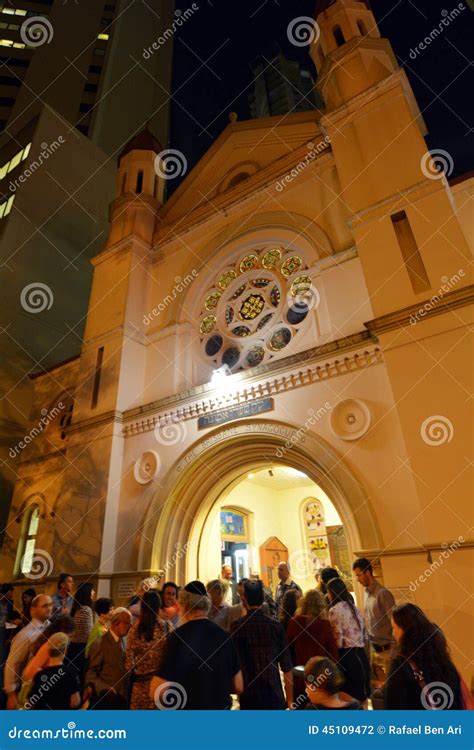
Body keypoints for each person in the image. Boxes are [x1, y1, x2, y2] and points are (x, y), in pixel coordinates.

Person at [150, 581, 243, 710]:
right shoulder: (224, 637)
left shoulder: (177, 638)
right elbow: (238, 686)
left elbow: (158, 690)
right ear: (207, 605)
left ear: (185, 604)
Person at [385, 603, 463, 710]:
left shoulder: (400, 665)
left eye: (394, 628)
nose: (393, 633)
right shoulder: (440, 656)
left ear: (405, 630)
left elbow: (392, 709)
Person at [231, 579, 293, 710]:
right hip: (274, 693)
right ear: (263, 598)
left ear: (244, 599)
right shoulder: (276, 626)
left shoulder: (236, 627)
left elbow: (232, 664)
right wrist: (290, 700)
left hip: (248, 696)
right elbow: (287, 666)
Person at [3, 594, 53, 709]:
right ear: (33, 610)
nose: (49, 608)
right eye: (45, 605)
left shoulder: (51, 628)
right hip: (29, 690)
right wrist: (11, 695)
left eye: (51, 605)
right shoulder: (25, 634)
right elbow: (13, 664)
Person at [326, 577, 370, 703]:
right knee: (363, 697)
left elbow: (338, 640)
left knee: (349, 698)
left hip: (347, 658)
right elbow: (365, 635)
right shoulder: (354, 608)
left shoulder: (334, 610)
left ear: (332, 592)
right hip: (362, 655)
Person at [352, 557, 395, 686]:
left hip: (387, 651)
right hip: (374, 649)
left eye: (359, 575)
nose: (357, 579)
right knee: (379, 691)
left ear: (368, 572)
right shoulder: (366, 593)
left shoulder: (382, 594)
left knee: (391, 689)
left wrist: (393, 652)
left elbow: (394, 622)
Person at [125, 591, 169, 710]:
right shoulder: (166, 627)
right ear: (158, 607)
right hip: (160, 686)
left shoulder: (134, 631)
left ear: (142, 607)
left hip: (140, 689)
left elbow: (129, 665)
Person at [86, 607, 132, 709]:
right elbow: (91, 674)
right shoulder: (100, 643)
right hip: (107, 702)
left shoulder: (122, 641)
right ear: (116, 623)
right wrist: (105, 688)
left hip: (121, 700)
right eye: (127, 623)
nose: (130, 627)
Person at [26, 633, 81, 710]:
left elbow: (30, 704)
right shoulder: (71, 673)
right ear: (65, 651)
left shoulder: (39, 675)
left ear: (48, 652)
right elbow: (75, 703)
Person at [287, 590, 338, 667]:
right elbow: (332, 651)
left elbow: (289, 648)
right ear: (321, 605)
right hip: (320, 669)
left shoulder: (294, 622)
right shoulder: (324, 624)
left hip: (301, 668)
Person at [24, 615, 76, 681]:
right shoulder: (49, 646)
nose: (70, 640)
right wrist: (49, 678)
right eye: (70, 636)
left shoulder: (56, 645)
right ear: (61, 632)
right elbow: (29, 672)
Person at [69, 582, 95, 686]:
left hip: (74, 647)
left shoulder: (78, 608)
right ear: (87, 593)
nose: (94, 592)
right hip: (81, 649)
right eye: (92, 590)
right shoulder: (86, 609)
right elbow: (89, 634)